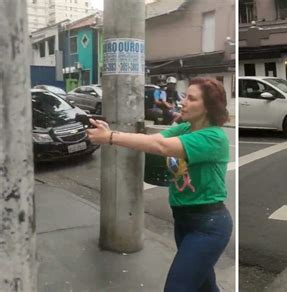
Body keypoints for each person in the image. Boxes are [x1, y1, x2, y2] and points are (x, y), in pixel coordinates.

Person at [87, 77, 232, 291]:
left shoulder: (214, 137)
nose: (183, 102)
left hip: (208, 225)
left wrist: (110, 137)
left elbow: (161, 146)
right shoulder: (184, 128)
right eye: (185, 97)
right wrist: (111, 131)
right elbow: (152, 141)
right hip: (183, 221)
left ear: (209, 107)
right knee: (205, 286)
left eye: (191, 99)